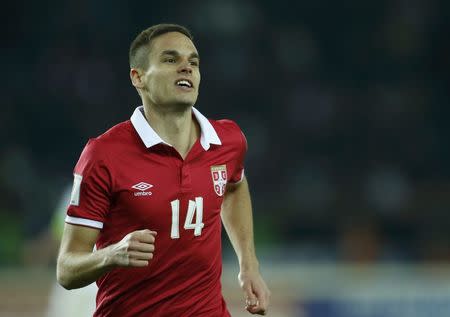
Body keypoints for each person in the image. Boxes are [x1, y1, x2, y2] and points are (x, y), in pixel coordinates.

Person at [56, 23, 270, 316]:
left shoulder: (228, 141)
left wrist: (249, 264)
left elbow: (234, 184)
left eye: (193, 62)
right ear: (138, 77)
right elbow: (66, 269)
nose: (186, 68)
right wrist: (111, 255)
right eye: (170, 60)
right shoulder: (104, 155)